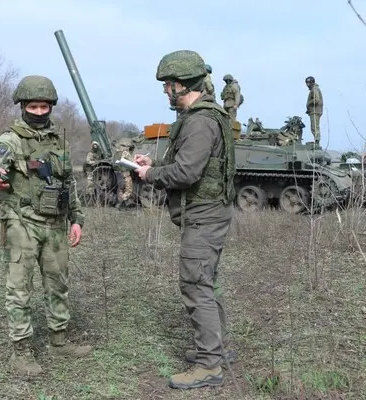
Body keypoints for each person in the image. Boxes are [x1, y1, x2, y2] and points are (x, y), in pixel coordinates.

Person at [134, 50, 236, 390]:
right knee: (207, 280)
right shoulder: (205, 117)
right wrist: (148, 162)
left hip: (203, 215)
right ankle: (217, 350)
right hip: (209, 212)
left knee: (195, 284)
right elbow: (191, 162)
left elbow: (187, 172)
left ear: (181, 85)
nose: (165, 91)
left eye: (167, 85)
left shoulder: (200, 121)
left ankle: (209, 365)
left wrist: (148, 174)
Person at [0, 75, 92, 376]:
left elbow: (69, 183)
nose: (40, 112)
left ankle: (58, 341)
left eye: (44, 107)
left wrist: (77, 219)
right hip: (22, 224)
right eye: (34, 106)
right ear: (23, 106)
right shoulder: (11, 139)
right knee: (19, 289)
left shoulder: (59, 141)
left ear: (51, 107)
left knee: (59, 285)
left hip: (55, 225)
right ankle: (21, 352)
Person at [305, 76, 323, 146]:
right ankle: (316, 141)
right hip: (314, 111)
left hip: (315, 111)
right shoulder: (314, 89)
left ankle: (317, 142)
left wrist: (309, 103)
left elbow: (317, 100)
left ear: (311, 83)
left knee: (314, 127)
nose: (307, 85)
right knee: (314, 126)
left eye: (308, 83)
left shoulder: (314, 89)